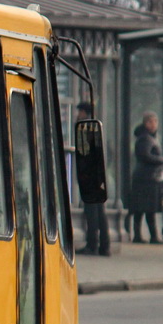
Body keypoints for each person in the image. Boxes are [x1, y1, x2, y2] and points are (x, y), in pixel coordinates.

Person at [75, 101, 110, 256]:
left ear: (85, 113)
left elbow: (84, 152)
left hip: (90, 175)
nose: (78, 115)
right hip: (99, 175)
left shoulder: (86, 128)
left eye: (80, 112)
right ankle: (104, 246)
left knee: (92, 211)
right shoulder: (99, 127)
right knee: (100, 212)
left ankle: (92, 244)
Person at [128, 111, 163, 244]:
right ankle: (148, 235)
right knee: (145, 208)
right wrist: (161, 159)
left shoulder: (150, 137)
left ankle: (147, 235)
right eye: (150, 122)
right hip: (146, 178)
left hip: (148, 177)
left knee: (145, 208)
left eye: (155, 122)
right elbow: (145, 155)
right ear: (145, 123)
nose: (153, 124)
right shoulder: (145, 138)